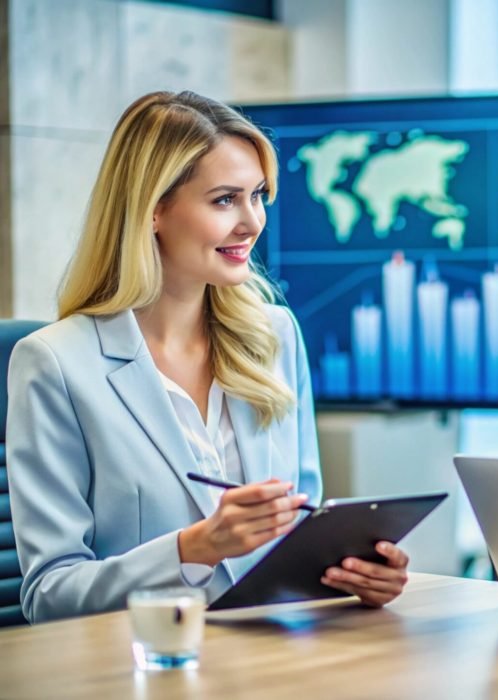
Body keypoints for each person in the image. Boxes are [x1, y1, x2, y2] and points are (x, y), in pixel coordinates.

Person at [6, 91, 410, 624]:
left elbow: (301, 537)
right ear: (153, 210)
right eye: (224, 200)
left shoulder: (274, 337)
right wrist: (193, 548)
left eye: (257, 196)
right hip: (147, 658)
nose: (252, 222)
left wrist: (353, 575)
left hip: (273, 654)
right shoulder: (55, 363)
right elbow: (48, 595)